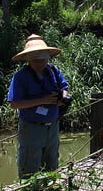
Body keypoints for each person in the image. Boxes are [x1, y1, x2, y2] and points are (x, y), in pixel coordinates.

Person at [7, 34, 70, 180]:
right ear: (28, 59)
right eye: (36, 60)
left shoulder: (53, 71)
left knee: (52, 163)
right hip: (31, 128)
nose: (40, 63)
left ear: (48, 57)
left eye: (43, 59)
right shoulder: (21, 77)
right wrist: (43, 100)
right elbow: (14, 104)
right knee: (29, 165)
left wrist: (62, 98)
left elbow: (64, 86)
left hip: (52, 126)